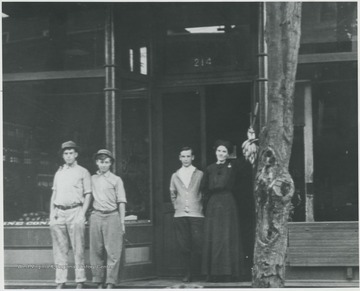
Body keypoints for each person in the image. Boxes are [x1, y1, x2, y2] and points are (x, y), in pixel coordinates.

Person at [201, 139, 250, 282]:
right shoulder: (209, 168)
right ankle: (213, 273)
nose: (221, 154)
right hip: (213, 205)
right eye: (219, 151)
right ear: (215, 152)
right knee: (214, 236)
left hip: (228, 204)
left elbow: (247, 161)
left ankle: (229, 272)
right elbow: (204, 188)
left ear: (228, 154)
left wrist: (250, 142)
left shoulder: (234, 166)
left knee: (228, 236)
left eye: (224, 151)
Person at [49, 141, 92, 289]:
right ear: (63, 155)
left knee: (78, 248)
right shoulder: (59, 172)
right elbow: (54, 194)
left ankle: (80, 280)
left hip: (76, 212)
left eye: (71, 153)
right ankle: (61, 281)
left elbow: (88, 194)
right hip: (59, 213)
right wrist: (51, 215)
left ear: (76, 154)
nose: (68, 156)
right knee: (60, 250)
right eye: (66, 153)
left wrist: (83, 213)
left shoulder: (83, 172)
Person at [90, 149, 127, 289]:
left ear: (111, 163)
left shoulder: (116, 180)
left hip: (112, 216)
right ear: (96, 163)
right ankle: (98, 280)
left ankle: (110, 281)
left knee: (113, 251)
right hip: (96, 216)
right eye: (100, 162)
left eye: (106, 162)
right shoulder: (92, 179)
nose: (103, 165)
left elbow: (121, 202)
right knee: (96, 250)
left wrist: (122, 222)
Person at [170, 147, 204, 282]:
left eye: (188, 156)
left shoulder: (199, 174)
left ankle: (198, 273)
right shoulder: (175, 175)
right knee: (184, 245)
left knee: (198, 244)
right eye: (183, 156)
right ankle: (187, 274)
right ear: (179, 157)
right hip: (180, 214)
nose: (185, 159)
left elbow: (204, 191)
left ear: (193, 157)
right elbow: (172, 193)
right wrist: (178, 207)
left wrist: (198, 205)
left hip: (197, 214)